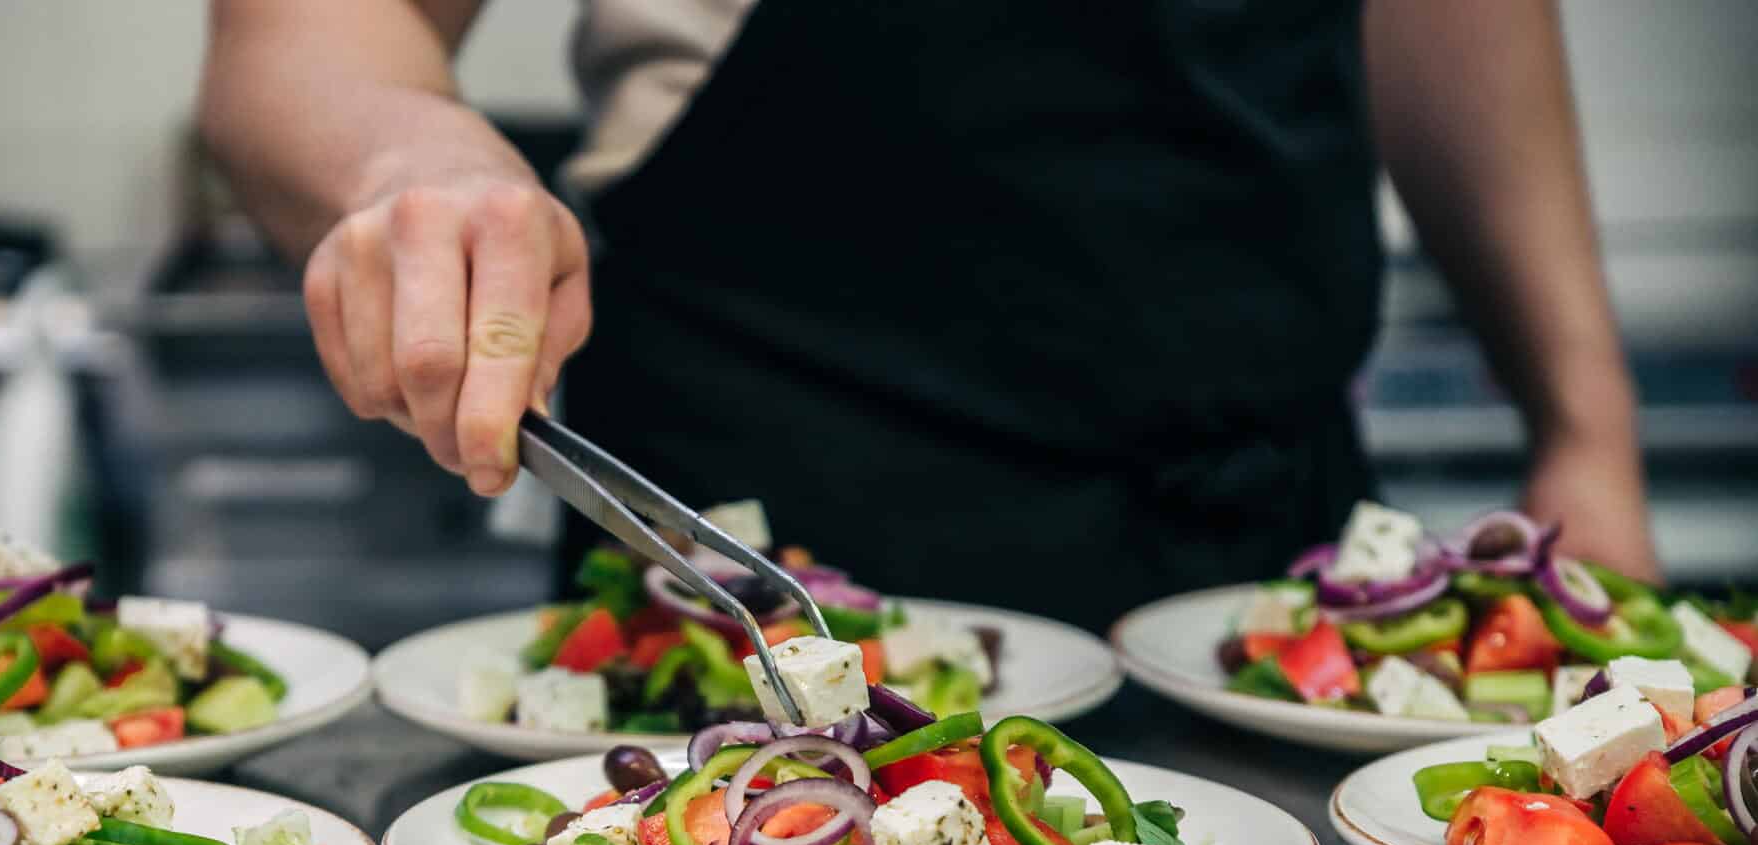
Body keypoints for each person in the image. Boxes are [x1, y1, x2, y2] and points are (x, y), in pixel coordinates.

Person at [201, 0, 1659, 631]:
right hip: (755, 575)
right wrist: (416, 162)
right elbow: (294, 47)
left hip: (1281, 568)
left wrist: (1584, 429)